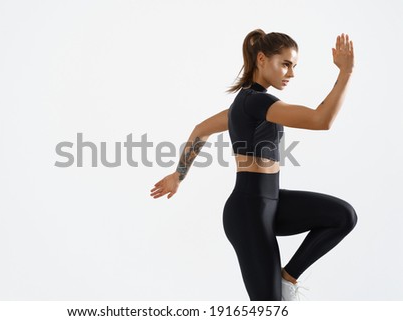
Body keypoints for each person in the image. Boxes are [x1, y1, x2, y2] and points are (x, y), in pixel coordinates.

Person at [150, 29, 357, 301]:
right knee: (267, 307)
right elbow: (321, 120)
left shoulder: (245, 105)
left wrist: (178, 175)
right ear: (261, 59)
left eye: (294, 66)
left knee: (343, 216)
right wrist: (345, 73)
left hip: (271, 201)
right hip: (248, 212)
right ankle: (281, 287)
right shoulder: (257, 101)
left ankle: (287, 279)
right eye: (285, 64)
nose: (291, 74)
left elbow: (201, 129)